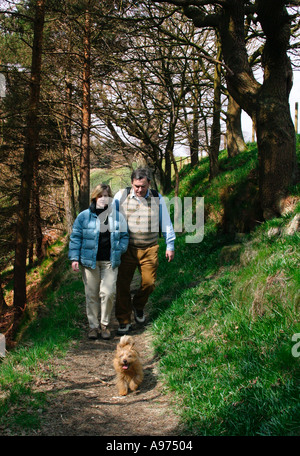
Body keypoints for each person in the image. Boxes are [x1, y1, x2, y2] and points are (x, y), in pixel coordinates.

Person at [114, 167, 175, 335]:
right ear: (132, 184)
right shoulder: (121, 196)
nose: (139, 190)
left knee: (149, 283)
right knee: (122, 285)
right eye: (136, 186)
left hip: (150, 248)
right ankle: (124, 321)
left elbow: (166, 222)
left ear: (149, 183)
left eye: (142, 186)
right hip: (127, 249)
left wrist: (170, 245)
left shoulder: (157, 197)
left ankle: (138, 305)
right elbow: (111, 219)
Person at [68, 184, 129, 340]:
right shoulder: (83, 216)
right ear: (94, 197)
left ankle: (105, 325)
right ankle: (93, 327)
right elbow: (75, 238)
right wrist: (74, 258)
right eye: (100, 196)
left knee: (108, 293)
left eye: (107, 195)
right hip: (89, 262)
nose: (103, 199)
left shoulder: (117, 216)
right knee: (92, 295)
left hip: (110, 261)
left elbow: (124, 236)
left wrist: (119, 249)